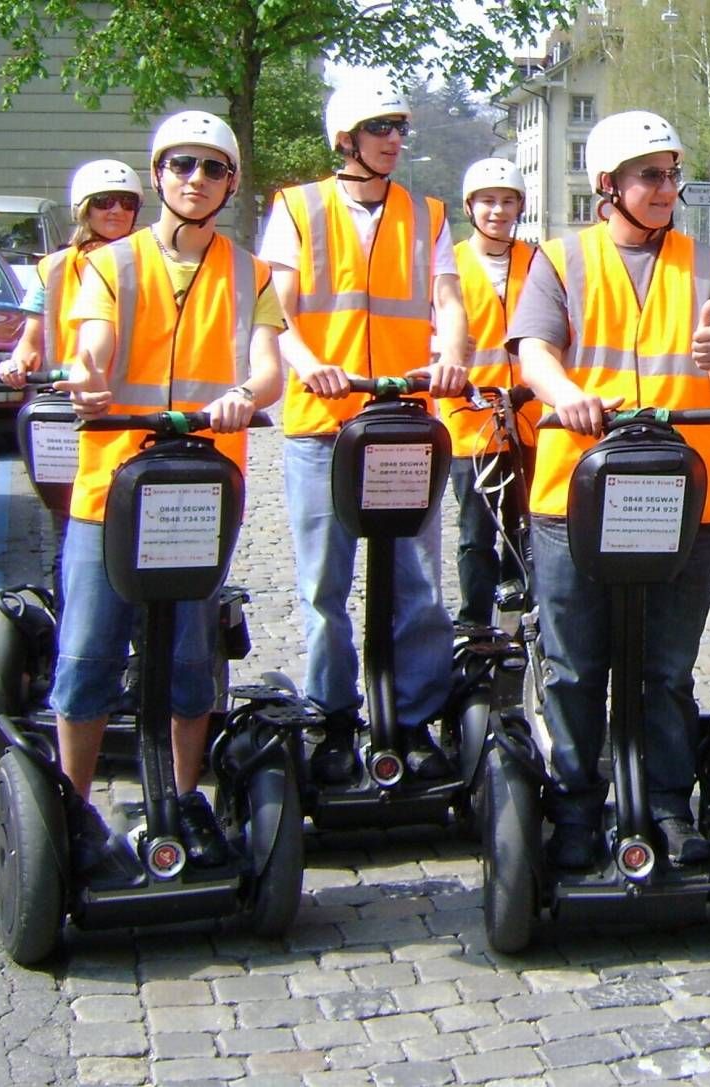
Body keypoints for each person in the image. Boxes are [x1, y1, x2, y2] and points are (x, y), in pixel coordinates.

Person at [506, 110, 710, 870]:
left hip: (682, 493)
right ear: (608, 185)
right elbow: (532, 355)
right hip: (575, 492)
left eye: (671, 174)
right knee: (578, 660)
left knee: (666, 664)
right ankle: (578, 805)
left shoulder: (707, 263)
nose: (664, 188)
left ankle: (669, 800)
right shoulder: (561, 260)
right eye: (648, 174)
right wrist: (567, 391)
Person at [51, 110, 286, 876]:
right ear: (158, 175)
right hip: (110, 490)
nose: (196, 179)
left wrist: (244, 394)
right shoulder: (108, 265)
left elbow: (268, 367)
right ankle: (75, 809)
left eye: (212, 168)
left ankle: (184, 797)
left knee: (191, 658)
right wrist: (89, 373)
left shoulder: (249, 272)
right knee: (88, 652)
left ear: (230, 183)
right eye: (182, 165)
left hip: (199, 493)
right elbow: (95, 338)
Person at [257, 81, 469, 783]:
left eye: (400, 128)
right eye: (380, 127)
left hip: (404, 422)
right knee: (324, 584)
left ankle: (415, 719)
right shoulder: (296, 208)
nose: (394, 139)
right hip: (324, 423)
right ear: (345, 138)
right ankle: (334, 717)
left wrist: (453, 356)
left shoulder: (424, 212)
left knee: (417, 580)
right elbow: (276, 308)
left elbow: (447, 299)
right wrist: (310, 362)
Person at [438, 158, 542, 629]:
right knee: (476, 531)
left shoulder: (537, 262)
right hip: (471, 418)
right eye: (487, 201)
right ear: (470, 207)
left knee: (529, 527)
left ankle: (527, 616)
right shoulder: (450, 266)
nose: (497, 211)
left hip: (530, 414)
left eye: (507, 201)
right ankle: (474, 622)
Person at [2, 159, 142, 390]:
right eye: (104, 202)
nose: (117, 210)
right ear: (83, 209)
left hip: (133, 396)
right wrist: (17, 363)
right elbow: (31, 341)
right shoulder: (53, 267)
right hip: (66, 393)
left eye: (127, 203)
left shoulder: (153, 260)